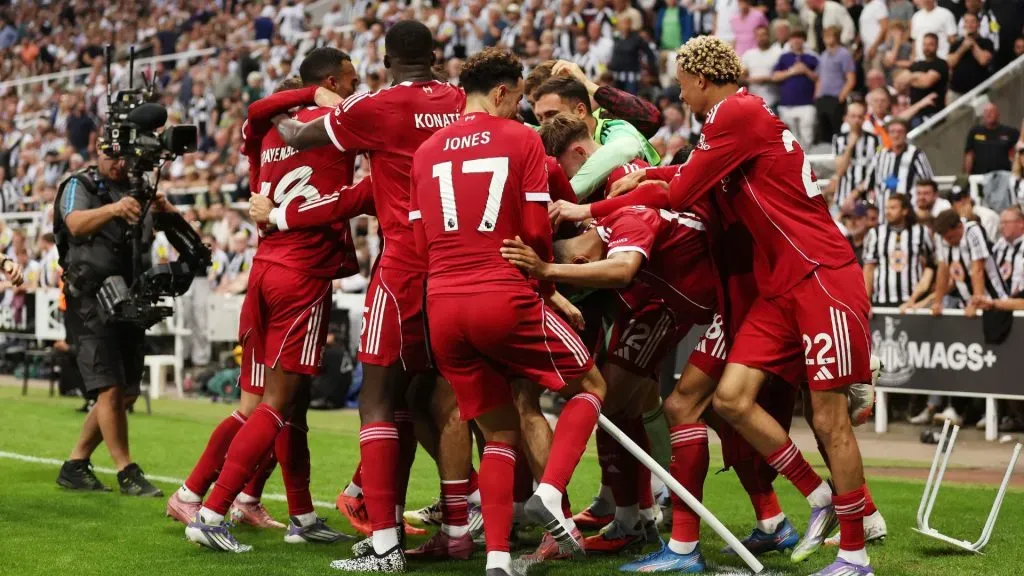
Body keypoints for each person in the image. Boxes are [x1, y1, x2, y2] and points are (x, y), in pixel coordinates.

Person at [550, 35, 877, 576]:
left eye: (681, 84)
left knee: (828, 415)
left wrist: (597, 207)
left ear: (701, 80)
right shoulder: (731, 124)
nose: (680, 94)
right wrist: (648, 178)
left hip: (817, 274)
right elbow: (680, 180)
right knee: (730, 401)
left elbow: (678, 193)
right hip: (772, 286)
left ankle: (854, 552)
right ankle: (815, 499)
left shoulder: (737, 112)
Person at [272, 21, 466, 572]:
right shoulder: (458, 99)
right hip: (458, 266)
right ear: (435, 53)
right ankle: (454, 527)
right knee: (433, 400)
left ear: (384, 61)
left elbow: (296, 135)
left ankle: (384, 547)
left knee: (376, 398)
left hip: (404, 264)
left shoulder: (374, 106)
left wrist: (296, 100)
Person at [413, 48, 606, 576]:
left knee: (498, 432)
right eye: (519, 98)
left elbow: (418, 235)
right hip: (501, 293)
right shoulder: (521, 140)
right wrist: (547, 276)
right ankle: (549, 492)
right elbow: (537, 231)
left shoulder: (426, 150)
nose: (520, 109)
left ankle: (497, 558)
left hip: (443, 305)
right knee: (590, 385)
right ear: (501, 92)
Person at [176, 49, 360, 550]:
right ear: (330, 82)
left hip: (264, 272)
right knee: (274, 406)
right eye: (350, 80)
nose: (354, 88)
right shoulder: (339, 123)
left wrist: (303, 96)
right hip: (303, 275)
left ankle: (297, 514)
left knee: (288, 406)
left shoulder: (267, 131)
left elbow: (255, 111)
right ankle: (214, 511)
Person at [53, 148, 172, 497]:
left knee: (127, 392)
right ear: (99, 152)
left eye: (125, 158)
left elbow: (169, 226)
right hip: (89, 296)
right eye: (112, 156)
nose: (119, 164)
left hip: (130, 296)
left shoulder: (139, 189)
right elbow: (74, 222)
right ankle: (126, 469)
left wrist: (164, 209)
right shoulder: (80, 183)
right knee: (110, 386)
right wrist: (114, 209)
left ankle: (75, 465)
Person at [531, 76, 660, 199]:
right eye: (540, 118)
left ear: (580, 111)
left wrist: (562, 198)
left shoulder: (612, 127)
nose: (545, 123)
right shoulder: (546, 135)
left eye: (552, 114)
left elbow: (626, 147)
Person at [931, 208, 1009, 317]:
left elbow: (978, 269)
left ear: (959, 226)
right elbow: (943, 269)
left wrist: (976, 302)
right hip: (966, 303)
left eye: (950, 237)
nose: (948, 241)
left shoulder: (973, 231)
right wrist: (938, 301)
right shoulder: (940, 236)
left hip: (993, 300)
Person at [863, 193, 934, 306]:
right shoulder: (875, 233)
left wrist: (921, 293)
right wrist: (866, 300)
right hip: (882, 300)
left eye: (893, 208)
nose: (888, 212)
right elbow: (868, 269)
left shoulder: (921, 232)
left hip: (913, 301)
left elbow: (931, 265)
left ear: (905, 210)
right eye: (886, 208)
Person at [859, 119, 934, 222]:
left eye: (900, 131)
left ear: (906, 133)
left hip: (909, 213)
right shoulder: (880, 155)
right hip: (883, 214)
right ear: (888, 134)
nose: (896, 135)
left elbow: (928, 183)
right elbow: (869, 185)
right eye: (892, 132)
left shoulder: (916, 154)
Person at [772, 30, 819, 149]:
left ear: (804, 40)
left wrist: (806, 70)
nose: (797, 41)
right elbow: (775, 77)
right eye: (794, 38)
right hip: (787, 105)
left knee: (807, 136)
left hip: (807, 104)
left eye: (799, 38)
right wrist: (792, 71)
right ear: (790, 41)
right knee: (790, 139)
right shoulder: (784, 57)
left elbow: (819, 78)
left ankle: (809, 164)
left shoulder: (811, 57)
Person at [833, 102, 881, 212]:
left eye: (860, 117)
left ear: (864, 119)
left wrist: (855, 193)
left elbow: (876, 169)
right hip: (842, 199)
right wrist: (850, 146)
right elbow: (840, 171)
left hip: (867, 199)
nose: (856, 120)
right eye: (853, 116)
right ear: (846, 118)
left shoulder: (875, 140)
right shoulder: (838, 139)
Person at [814, 26, 856, 143]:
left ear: (836, 37)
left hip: (836, 97)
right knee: (823, 130)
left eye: (830, 35)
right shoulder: (823, 55)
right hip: (822, 98)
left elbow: (851, 78)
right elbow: (819, 77)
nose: (827, 39)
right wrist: (817, 96)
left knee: (836, 130)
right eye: (825, 36)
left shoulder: (844, 54)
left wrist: (842, 95)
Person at [947, 13, 995, 99]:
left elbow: (983, 60)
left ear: (978, 24)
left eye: (973, 22)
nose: (969, 25)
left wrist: (973, 43)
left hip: (980, 91)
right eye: (967, 22)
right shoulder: (956, 43)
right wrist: (963, 48)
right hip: (957, 92)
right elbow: (950, 63)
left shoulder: (986, 42)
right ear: (963, 25)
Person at [963, 103, 1020, 175]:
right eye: (986, 112)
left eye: (991, 112)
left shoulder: (1010, 132)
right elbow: (969, 155)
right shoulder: (975, 132)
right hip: (980, 176)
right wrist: (966, 175)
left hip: (1004, 176)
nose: (988, 114)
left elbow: (1020, 151)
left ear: (998, 114)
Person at [907, 34, 948, 126]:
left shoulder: (941, 64)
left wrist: (912, 78)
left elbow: (926, 82)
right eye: (924, 44)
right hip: (915, 113)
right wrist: (919, 77)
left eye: (930, 44)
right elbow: (900, 82)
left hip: (934, 114)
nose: (927, 47)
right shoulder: (916, 64)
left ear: (937, 46)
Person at [741, 25, 783, 109]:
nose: (761, 38)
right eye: (758, 35)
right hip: (754, 102)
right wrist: (749, 80)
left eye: (764, 35)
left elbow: (783, 76)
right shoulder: (748, 54)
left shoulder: (778, 53)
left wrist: (766, 79)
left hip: (774, 101)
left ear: (769, 35)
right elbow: (741, 78)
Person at [992, 206, 1024, 296]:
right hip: (999, 301)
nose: (1002, 227)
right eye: (1001, 223)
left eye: (1006, 223)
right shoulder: (999, 246)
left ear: (1021, 223)